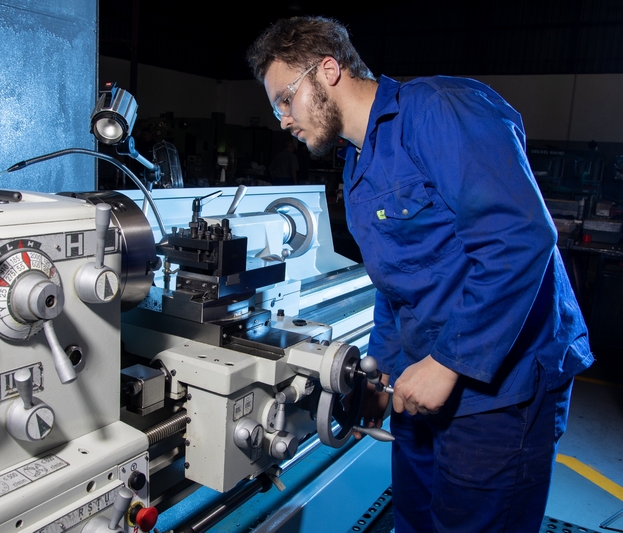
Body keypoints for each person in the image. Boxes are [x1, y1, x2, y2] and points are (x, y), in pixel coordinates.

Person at [247, 16, 593, 533]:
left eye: (285, 99)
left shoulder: (437, 111)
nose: (282, 120)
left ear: (327, 69)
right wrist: (382, 372)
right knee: (413, 521)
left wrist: (448, 363)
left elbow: (520, 239)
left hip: (501, 391)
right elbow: (396, 284)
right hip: (421, 384)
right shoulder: (357, 163)